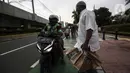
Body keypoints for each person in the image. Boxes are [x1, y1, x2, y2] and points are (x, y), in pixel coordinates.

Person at [74, 1, 101, 73]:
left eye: (76, 7)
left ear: (79, 7)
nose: (76, 9)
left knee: (88, 62)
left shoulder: (87, 13)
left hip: (88, 44)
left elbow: (90, 29)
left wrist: (86, 43)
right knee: (88, 62)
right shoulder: (83, 15)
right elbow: (80, 25)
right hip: (85, 43)